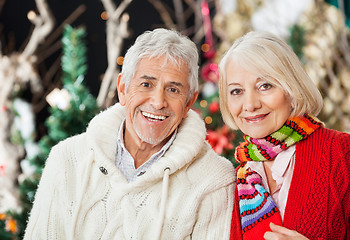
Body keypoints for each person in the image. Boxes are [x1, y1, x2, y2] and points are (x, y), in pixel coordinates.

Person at [24, 28, 236, 239]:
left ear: (189, 102)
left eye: (173, 89)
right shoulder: (66, 158)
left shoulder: (214, 180)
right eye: (146, 84)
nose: (158, 102)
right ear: (123, 89)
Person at [218, 31, 350, 240]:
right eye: (236, 91)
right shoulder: (233, 181)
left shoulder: (345, 155)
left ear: (292, 88)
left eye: (265, 86)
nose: (250, 105)